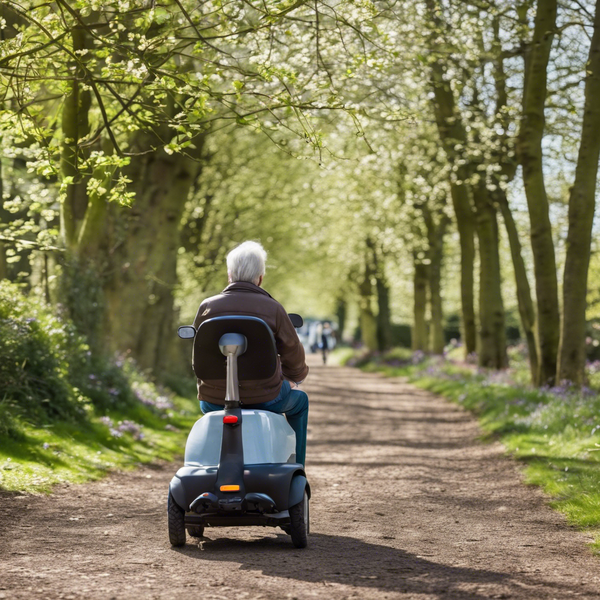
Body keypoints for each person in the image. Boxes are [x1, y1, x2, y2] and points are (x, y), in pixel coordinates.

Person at [193, 241, 310, 466]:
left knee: (208, 407)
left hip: (214, 399)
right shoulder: (273, 309)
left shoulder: (207, 307)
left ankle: (214, 460)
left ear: (229, 275)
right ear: (260, 278)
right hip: (266, 397)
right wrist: (295, 377)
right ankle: (298, 467)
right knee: (300, 401)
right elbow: (293, 352)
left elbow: (200, 355)